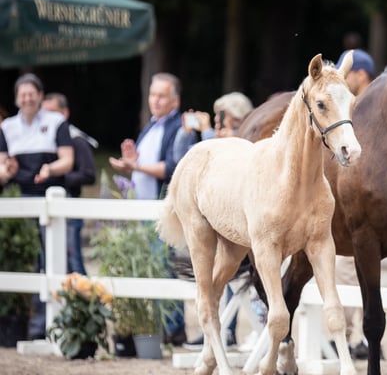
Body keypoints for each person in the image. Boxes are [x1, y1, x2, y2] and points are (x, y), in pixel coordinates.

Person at [109, 72, 186, 346]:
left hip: (161, 211)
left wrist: (135, 166)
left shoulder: (178, 127)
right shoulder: (152, 126)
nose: (155, 100)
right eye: (152, 94)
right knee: (152, 269)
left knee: (164, 267)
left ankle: (174, 328)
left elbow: (173, 168)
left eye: (161, 95)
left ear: (174, 100)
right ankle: (162, 327)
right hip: (143, 211)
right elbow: (143, 167)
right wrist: (132, 162)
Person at [175, 92, 255, 349]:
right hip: (221, 214)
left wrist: (210, 132)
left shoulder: (246, 140)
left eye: (224, 116)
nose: (220, 121)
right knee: (223, 273)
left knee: (233, 274)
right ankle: (218, 327)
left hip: (240, 216)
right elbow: (182, 156)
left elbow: (231, 162)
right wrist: (187, 132)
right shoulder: (219, 139)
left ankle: (229, 329)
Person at [0, 73, 74, 339]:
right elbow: (2, 166)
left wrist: (48, 168)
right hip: (20, 202)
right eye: (23, 94)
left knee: (53, 262)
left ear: (40, 95)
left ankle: (56, 325)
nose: (28, 98)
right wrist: (7, 170)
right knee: (26, 265)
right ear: (17, 98)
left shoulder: (55, 123)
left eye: (32, 93)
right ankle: (31, 327)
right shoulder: (8, 127)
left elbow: (67, 160)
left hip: (49, 198)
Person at [333, 48, 376, 359]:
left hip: (362, 195)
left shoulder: (366, 103)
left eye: (346, 73)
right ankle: (356, 333)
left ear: (360, 74)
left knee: (348, 268)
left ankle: (354, 336)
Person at [41, 93, 98, 275]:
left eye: (53, 113)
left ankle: (87, 303)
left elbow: (89, 174)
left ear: (64, 113)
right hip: (48, 207)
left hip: (69, 207)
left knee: (74, 263)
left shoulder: (76, 140)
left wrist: (58, 178)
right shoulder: (43, 141)